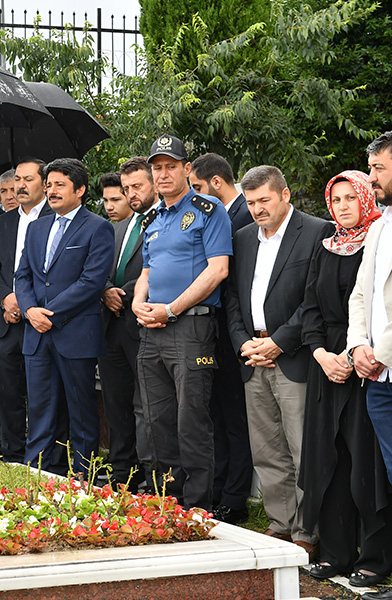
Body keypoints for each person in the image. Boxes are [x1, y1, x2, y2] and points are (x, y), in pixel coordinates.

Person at [225, 165, 328, 558]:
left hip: (295, 356)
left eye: (264, 200)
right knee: (266, 448)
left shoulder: (316, 231)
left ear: (284, 195)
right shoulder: (244, 237)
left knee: (302, 448)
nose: (256, 209)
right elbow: (233, 298)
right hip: (253, 357)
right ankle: (281, 524)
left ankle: (307, 530)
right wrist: (244, 344)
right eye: (250, 203)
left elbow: (314, 299)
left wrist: (279, 343)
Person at [300, 170, 392, 588]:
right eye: (335, 200)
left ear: (364, 199)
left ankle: (375, 556)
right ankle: (336, 553)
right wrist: (321, 355)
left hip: (365, 363)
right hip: (327, 368)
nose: (341, 206)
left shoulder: (378, 240)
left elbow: (375, 306)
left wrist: (354, 353)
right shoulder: (325, 247)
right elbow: (310, 310)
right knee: (329, 463)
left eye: (349, 198)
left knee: (365, 467)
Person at [133, 134, 231, 510]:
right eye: (156, 168)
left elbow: (217, 270)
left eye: (170, 166)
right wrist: (140, 304)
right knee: (155, 421)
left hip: (190, 327)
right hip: (151, 329)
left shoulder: (209, 210)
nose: (163, 174)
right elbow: (146, 271)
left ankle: (197, 507)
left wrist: (171, 309)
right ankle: (166, 502)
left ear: (187, 170)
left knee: (191, 420)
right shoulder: (152, 217)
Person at [15, 158, 114, 477]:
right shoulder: (36, 227)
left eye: (60, 185)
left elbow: (92, 281)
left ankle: (83, 477)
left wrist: (50, 314)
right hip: (37, 334)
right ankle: (40, 473)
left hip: (75, 335)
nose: (51, 191)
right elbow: (23, 276)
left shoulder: (98, 227)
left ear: (80, 189)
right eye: (49, 185)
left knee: (81, 411)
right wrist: (30, 310)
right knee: (42, 410)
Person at [189, 152, 254, 524]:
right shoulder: (223, 215)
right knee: (217, 413)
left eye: (196, 187)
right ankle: (221, 485)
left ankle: (236, 496)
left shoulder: (244, 215)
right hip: (214, 329)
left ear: (215, 183)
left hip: (237, 331)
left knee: (234, 416)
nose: (194, 196)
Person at [0, 158, 54, 463]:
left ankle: (45, 456)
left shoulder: (58, 217)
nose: (21, 186)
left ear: (44, 183)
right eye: (18, 181)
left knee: (43, 393)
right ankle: (10, 453)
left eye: (28, 180)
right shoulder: (5, 221)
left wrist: (26, 304)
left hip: (42, 319)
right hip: (8, 319)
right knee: (7, 390)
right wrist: (6, 299)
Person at [347, 131, 392, 600]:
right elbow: (361, 295)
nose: (372, 177)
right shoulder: (380, 226)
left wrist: (382, 351)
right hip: (378, 380)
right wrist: (358, 344)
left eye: (379, 168)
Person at [98, 157, 159, 487]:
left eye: (137, 186)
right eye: (126, 189)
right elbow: (98, 268)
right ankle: (123, 475)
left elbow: (161, 269)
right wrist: (106, 289)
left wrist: (125, 293)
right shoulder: (117, 227)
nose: (131, 194)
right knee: (116, 403)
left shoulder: (163, 221)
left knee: (147, 406)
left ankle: (152, 476)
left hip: (145, 324)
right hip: (110, 327)